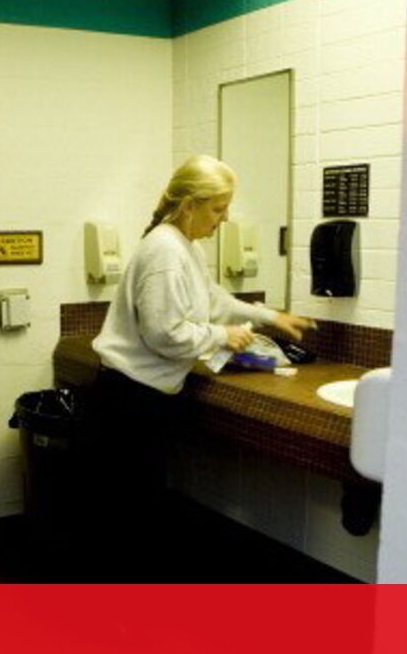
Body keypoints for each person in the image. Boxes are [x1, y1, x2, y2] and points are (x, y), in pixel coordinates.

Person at [83, 155, 314, 563]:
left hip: (139, 396)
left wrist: (269, 317)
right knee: (127, 516)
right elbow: (165, 333)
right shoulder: (165, 252)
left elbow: (212, 299)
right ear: (190, 205)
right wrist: (224, 335)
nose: (225, 219)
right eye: (218, 208)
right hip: (130, 400)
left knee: (134, 509)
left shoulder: (183, 246)